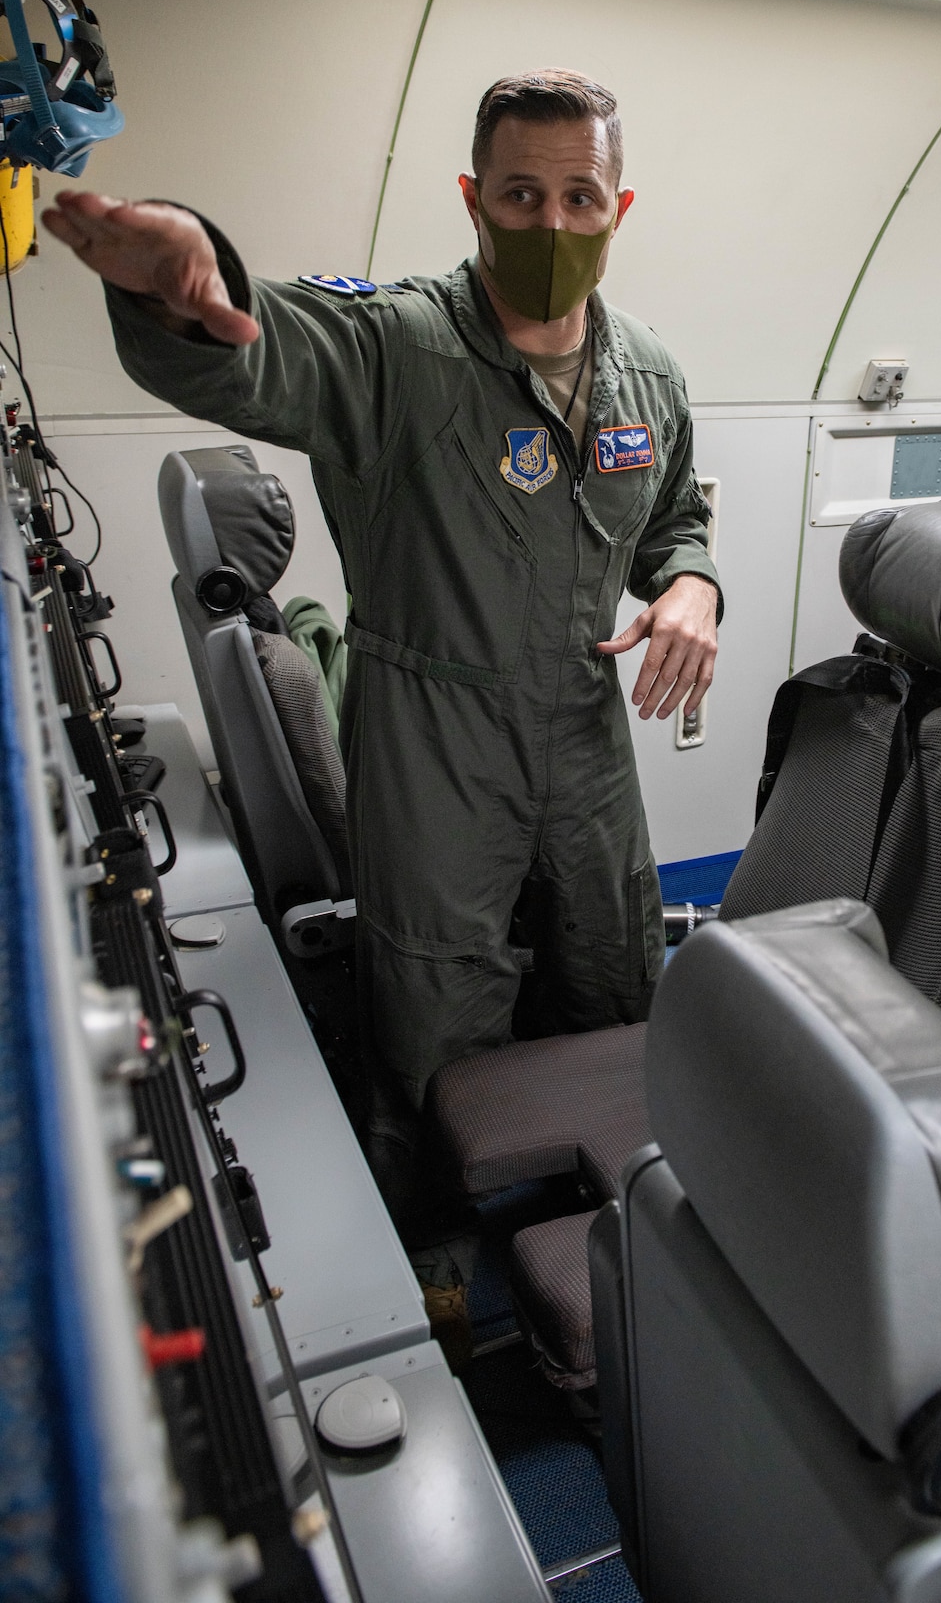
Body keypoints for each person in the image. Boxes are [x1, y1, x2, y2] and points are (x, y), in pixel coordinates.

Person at [44, 68, 721, 1216]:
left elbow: (673, 519)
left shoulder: (646, 373)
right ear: (471, 197)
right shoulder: (392, 347)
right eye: (519, 194)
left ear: (619, 208)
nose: (549, 223)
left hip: (586, 733)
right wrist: (181, 284)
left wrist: (692, 586)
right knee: (436, 1010)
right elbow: (260, 347)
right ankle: (445, 1251)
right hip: (431, 733)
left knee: (607, 978)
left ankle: (613, 1229)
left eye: (577, 197)